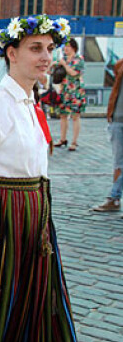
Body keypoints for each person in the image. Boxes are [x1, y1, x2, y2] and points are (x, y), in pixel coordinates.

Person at [0, 15, 82, 342]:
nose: (46, 56)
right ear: (11, 53)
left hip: (36, 217)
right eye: (35, 48)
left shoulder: (33, 104)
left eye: (49, 48)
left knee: (38, 302)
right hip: (6, 217)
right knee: (4, 305)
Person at [92, 56, 123, 212]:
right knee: (118, 163)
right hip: (118, 118)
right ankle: (114, 200)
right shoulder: (120, 64)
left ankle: (114, 196)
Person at [55, 38, 86, 151]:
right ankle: (62, 139)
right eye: (65, 46)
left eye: (67, 46)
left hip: (76, 91)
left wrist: (64, 65)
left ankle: (74, 141)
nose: (65, 49)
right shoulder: (63, 59)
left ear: (73, 47)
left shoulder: (79, 60)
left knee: (75, 116)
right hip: (64, 91)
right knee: (63, 115)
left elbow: (74, 73)